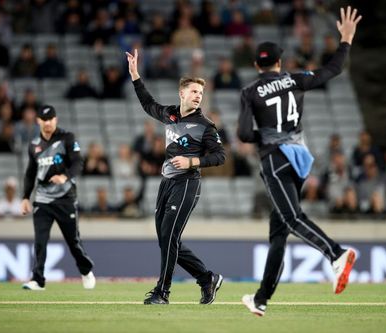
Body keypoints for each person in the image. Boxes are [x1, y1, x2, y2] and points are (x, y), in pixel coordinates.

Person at [238, 7, 361, 316]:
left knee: (292, 219)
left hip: (275, 160)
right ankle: (261, 298)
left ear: (257, 65)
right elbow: (332, 69)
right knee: (279, 232)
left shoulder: (251, 91)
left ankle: (337, 253)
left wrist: (263, 137)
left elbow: (242, 133)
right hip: (300, 157)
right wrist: (345, 40)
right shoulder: (295, 79)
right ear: (279, 63)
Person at [126, 49, 226, 305]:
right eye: (194, 91)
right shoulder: (170, 114)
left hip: (187, 183)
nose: (198, 96)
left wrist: (193, 161)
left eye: (200, 93)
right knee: (166, 240)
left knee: (169, 237)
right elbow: (148, 104)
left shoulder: (205, 125)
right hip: (167, 183)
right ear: (182, 93)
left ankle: (162, 292)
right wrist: (136, 75)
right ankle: (206, 278)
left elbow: (219, 157)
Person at [20, 105, 95, 291]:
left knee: (73, 242)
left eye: (51, 119)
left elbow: (78, 162)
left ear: (56, 120)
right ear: (38, 121)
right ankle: (37, 280)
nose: (48, 123)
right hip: (42, 199)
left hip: (65, 198)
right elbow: (30, 173)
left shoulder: (66, 138)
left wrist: (65, 176)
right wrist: (25, 197)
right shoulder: (34, 144)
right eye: (44, 120)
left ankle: (86, 271)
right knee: (40, 241)